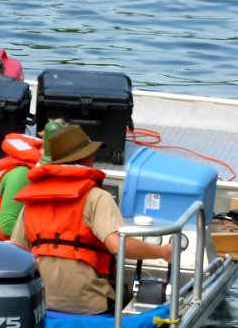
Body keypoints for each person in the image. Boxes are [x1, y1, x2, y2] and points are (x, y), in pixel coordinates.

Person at [10, 124, 172, 314]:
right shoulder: (96, 197)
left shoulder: (31, 198)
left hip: (43, 301)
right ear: (86, 158)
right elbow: (118, 245)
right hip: (90, 305)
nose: (94, 157)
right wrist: (162, 252)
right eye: (91, 153)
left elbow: (17, 252)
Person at [0, 120, 67, 240]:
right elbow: (7, 226)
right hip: (5, 244)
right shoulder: (22, 175)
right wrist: (54, 232)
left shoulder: (48, 170)